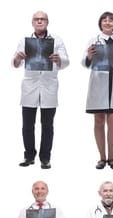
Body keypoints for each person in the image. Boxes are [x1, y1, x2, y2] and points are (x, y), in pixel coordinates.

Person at [12, 11, 69, 170]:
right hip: (30, 87)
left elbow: (66, 61)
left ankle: (45, 158)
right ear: (32, 22)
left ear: (47, 22)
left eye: (42, 19)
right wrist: (18, 57)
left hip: (49, 87)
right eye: (36, 19)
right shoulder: (24, 40)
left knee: (47, 126)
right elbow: (15, 62)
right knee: (27, 125)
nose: (39, 21)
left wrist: (59, 59)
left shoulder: (56, 40)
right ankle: (29, 156)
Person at [83, 12, 113, 170]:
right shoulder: (93, 41)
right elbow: (85, 63)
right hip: (98, 84)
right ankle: (101, 158)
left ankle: (111, 157)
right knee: (98, 121)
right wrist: (89, 56)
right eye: (104, 20)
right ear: (100, 23)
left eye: (111, 20)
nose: (108, 22)